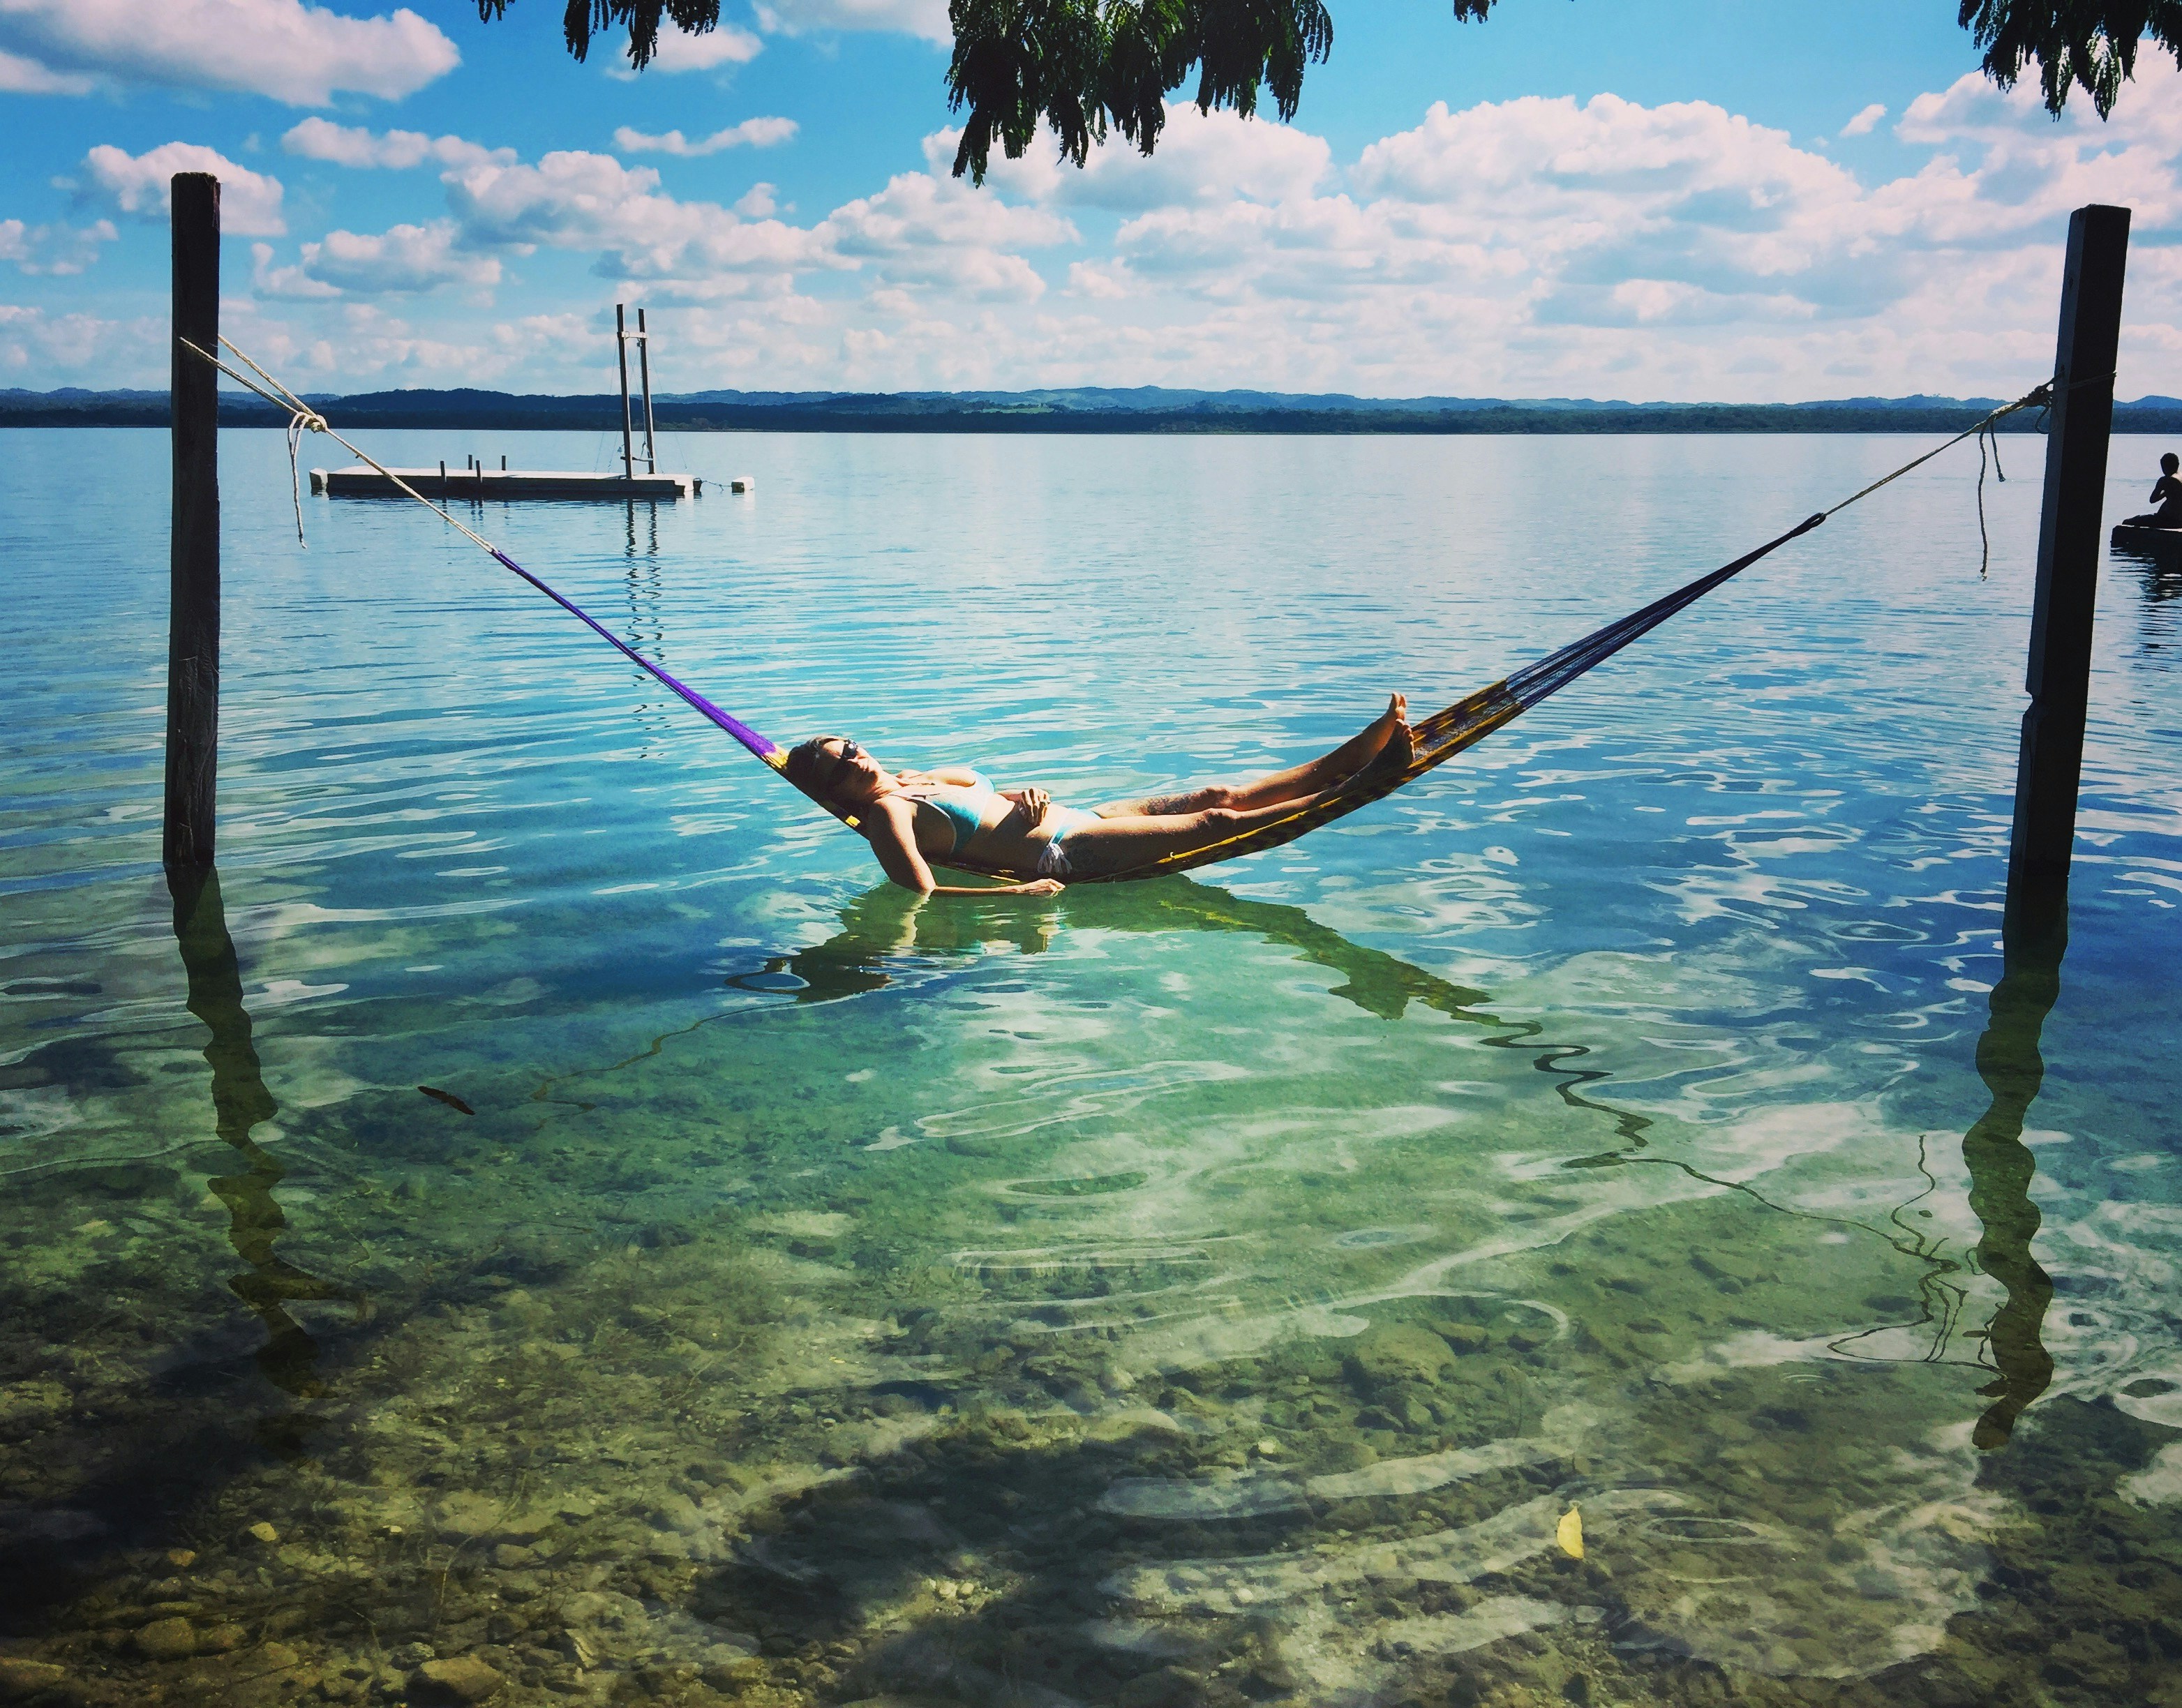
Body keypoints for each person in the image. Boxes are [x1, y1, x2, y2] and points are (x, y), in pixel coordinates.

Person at [781, 696, 1416, 895]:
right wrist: (1013, 895)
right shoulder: (888, 813)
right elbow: (915, 888)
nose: (857, 755)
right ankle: (1360, 785)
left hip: (1082, 814)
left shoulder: (919, 778)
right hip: (1066, 849)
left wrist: (1023, 791)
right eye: (843, 761)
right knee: (1219, 819)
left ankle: (1351, 752)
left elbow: (988, 797)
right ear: (836, 788)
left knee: (1219, 791)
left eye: (852, 744)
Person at [2124, 453, 2182, 528]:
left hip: (2169, 520)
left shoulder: (2165, 480)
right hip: (2179, 520)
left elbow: (2153, 499)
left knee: (2127, 522)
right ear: (2178, 464)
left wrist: (2165, 492)